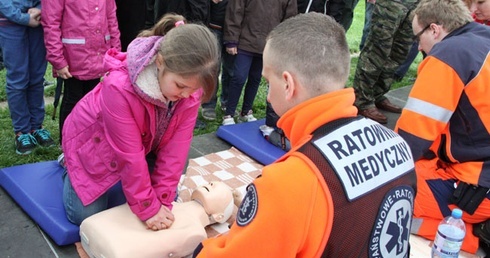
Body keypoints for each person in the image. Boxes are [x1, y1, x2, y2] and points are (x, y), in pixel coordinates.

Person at [193, 12, 416, 257]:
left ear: (288, 85)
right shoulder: (397, 144)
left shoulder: (292, 179)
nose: (267, 96)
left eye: (268, 82)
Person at [60, 15, 220, 230]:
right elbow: (129, 156)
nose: (187, 95)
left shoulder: (190, 91)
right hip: (95, 143)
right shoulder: (118, 87)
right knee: (84, 217)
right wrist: (148, 209)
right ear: (160, 62)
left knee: (167, 199)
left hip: (145, 142)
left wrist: (161, 201)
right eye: (180, 86)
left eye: (193, 89)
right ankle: (70, 163)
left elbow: (176, 151)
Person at [395, 0, 490, 254]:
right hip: (478, 167)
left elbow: (411, 138)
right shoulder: (483, 38)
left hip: (478, 185)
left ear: (434, 30)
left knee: (391, 199)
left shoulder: (448, 55)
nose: (419, 46)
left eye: (418, 37)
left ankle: (473, 237)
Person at [80, 181, 234, 258]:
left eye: (217, 190)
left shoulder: (196, 233)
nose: (210, 184)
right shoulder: (170, 202)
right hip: (96, 228)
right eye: (211, 183)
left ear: (219, 216)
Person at [41, 0, 121, 144]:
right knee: (73, 100)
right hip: (74, 59)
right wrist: (57, 59)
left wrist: (115, 54)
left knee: (95, 103)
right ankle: (67, 144)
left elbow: (112, 19)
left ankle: (90, 144)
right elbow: (51, 24)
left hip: (100, 57)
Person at [221, 0, 297, 125]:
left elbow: (289, 21)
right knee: (239, 77)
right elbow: (235, 11)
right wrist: (231, 40)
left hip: (268, 45)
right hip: (245, 41)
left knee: (256, 78)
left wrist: (282, 45)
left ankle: (246, 112)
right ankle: (229, 114)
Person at [0, 0, 55, 155]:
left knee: (37, 77)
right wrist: (23, 18)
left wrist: (40, 9)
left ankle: (37, 127)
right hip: (10, 23)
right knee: (18, 80)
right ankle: (22, 132)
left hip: (37, 22)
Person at [352, 0, 418, 124]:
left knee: (400, 50)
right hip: (391, 4)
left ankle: (377, 94)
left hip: (415, 4)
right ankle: (362, 100)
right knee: (377, 49)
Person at [200, 0, 235, 122]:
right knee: (213, 69)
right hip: (213, 26)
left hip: (235, 29)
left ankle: (226, 102)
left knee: (231, 70)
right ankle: (208, 104)